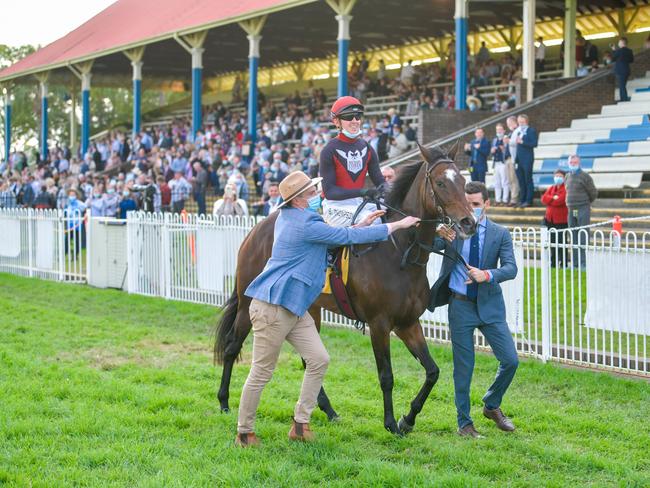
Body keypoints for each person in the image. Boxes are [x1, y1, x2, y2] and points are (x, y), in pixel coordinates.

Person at [235, 171, 420, 447]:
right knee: (261, 372)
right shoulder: (304, 222)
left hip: (293, 307)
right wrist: (397, 225)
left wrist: (362, 224)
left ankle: (300, 423)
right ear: (297, 200)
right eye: (310, 194)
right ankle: (244, 433)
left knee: (319, 359)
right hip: (273, 309)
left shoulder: (297, 218)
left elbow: (337, 235)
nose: (316, 196)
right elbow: (339, 235)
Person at [429, 182, 518, 438]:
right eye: (467, 205)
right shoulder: (453, 232)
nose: (471, 209)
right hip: (460, 306)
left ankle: (491, 405)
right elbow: (428, 245)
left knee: (510, 360)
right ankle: (464, 423)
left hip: (490, 306)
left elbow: (511, 268)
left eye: (476, 205)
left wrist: (487, 274)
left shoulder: (500, 233)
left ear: (487, 204)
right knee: (463, 368)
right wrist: (435, 232)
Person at [319, 96, 386, 227]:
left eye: (358, 116)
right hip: (334, 207)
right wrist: (362, 192)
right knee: (374, 220)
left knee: (396, 211)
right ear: (336, 121)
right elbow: (330, 192)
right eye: (349, 116)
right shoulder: (329, 150)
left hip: (358, 203)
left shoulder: (368, 148)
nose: (355, 120)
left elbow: (381, 182)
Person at [565, 155, 597, 269]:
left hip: (582, 208)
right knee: (573, 235)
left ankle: (584, 263)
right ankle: (575, 263)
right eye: (571, 162)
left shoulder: (585, 176)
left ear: (579, 163)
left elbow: (593, 193)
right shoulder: (567, 176)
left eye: (575, 162)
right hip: (571, 210)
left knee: (583, 235)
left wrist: (585, 203)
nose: (573, 164)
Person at [541, 169, 568, 268]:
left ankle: (563, 263)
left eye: (560, 176)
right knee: (552, 243)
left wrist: (550, 199)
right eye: (556, 176)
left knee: (562, 243)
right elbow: (543, 199)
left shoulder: (565, 188)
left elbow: (560, 201)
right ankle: (553, 263)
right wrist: (553, 198)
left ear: (564, 178)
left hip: (561, 221)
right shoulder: (552, 188)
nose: (558, 178)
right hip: (550, 220)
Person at [514, 114, 537, 208]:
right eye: (519, 122)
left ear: (526, 122)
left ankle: (528, 200)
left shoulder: (531, 131)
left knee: (528, 179)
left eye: (522, 122)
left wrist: (522, 142)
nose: (521, 124)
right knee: (521, 180)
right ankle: (522, 200)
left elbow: (534, 143)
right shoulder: (518, 132)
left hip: (527, 159)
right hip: (518, 160)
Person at [503, 116, 520, 207]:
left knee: (513, 179)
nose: (508, 125)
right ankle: (512, 197)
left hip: (513, 158)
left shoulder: (517, 131)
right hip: (507, 158)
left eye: (509, 123)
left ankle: (514, 199)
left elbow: (516, 144)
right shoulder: (510, 133)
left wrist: (509, 141)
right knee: (509, 179)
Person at [491, 124, 509, 206]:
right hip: (496, 163)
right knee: (496, 182)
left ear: (504, 131)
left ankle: (505, 200)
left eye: (500, 130)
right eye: (497, 130)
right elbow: (492, 150)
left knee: (504, 181)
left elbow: (508, 151)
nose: (499, 132)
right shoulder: (494, 140)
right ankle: (497, 200)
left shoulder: (506, 138)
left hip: (503, 163)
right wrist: (492, 150)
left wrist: (504, 148)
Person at [612, 37, 634, 102]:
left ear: (622, 42)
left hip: (620, 70)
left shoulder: (619, 51)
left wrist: (613, 50)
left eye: (619, 42)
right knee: (623, 85)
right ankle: (623, 98)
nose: (618, 43)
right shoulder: (629, 51)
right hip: (627, 70)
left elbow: (613, 58)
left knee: (621, 86)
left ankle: (624, 99)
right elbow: (631, 60)